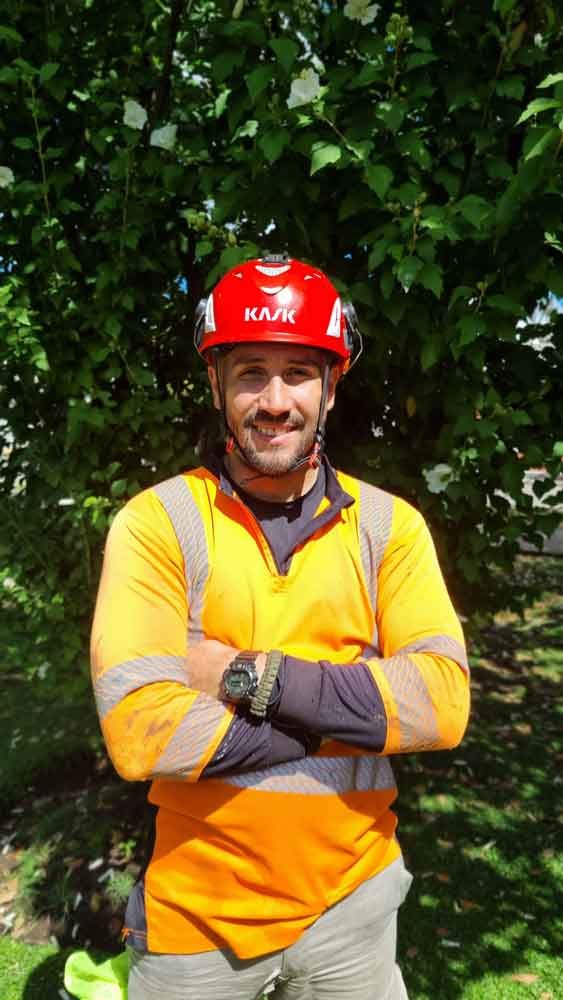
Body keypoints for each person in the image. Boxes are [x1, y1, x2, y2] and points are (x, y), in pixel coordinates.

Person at [90, 254, 470, 1000]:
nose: (274, 399)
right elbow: (141, 730)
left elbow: (441, 705)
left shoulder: (389, 529)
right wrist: (358, 709)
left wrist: (245, 675)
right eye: (250, 372)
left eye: (298, 372)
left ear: (332, 388)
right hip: (197, 918)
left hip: (354, 907)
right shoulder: (157, 524)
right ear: (215, 384)